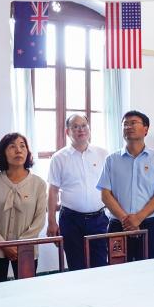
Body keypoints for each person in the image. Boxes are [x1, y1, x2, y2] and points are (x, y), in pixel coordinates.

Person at [97, 110, 154, 261]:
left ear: (146, 129)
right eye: (125, 124)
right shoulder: (111, 160)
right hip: (118, 225)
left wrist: (138, 218)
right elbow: (105, 195)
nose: (128, 127)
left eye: (133, 123)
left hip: (148, 225)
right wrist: (127, 221)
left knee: (149, 269)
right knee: (118, 269)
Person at [0, 132, 47, 280]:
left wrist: (19, 244)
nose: (18, 150)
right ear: (3, 153)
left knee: (26, 289)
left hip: (26, 248)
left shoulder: (39, 184)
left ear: (27, 152)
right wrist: (3, 244)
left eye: (22, 146)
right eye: (12, 147)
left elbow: (39, 220)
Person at [47, 114, 109, 270]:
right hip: (71, 220)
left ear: (89, 128)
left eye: (84, 125)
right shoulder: (59, 158)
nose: (81, 129)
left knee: (101, 264)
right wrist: (51, 221)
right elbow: (53, 191)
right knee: (76, 266)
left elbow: (110, 186)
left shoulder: (102, 154)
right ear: (67, 132)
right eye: (75, 126)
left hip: (98, 219)